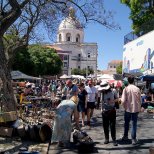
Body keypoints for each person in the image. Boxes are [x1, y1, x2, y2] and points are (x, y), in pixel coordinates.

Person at [121, 76, 142, 145]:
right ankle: (133, 139)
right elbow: (140, 100)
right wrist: (139, 107)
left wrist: (124, 106)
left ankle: (125, 136)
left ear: (128, 81)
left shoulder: (126, 89)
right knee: (134, 124)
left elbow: (123, 100)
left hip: (128, 109)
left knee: (126, 123)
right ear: (133, 81)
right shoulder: (137, 89)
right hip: (135, 109)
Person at [99, 81, 118, 146]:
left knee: (112, 126)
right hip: (105, 111)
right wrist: (101, 109)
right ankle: (106, 138)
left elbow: (118, 99)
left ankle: (114, 139)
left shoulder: (114, 91)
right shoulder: (102, 93)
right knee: (105, 126)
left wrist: (112, 101)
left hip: (112, 110)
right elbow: (101, 102)